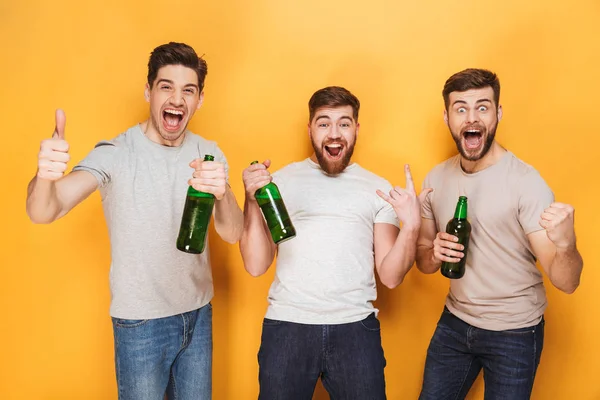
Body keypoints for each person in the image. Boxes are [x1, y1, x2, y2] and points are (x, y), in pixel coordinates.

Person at [26, 42, 244, 400]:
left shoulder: (209, 154)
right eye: (166, 86)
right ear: (148, 91)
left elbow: (233, 231)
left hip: (198, 315)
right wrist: (44, 177)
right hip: (141, 325)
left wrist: (224, 193)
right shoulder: (116, 154)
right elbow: (43, 211)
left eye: (188, 90)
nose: (177, 99)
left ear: (199, 100)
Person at [240, 86, 429, 399]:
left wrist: (411, 226)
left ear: (356, 129)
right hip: (288, 326)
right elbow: (256, 264)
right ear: (310, 129)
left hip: (355, 329)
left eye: (344, 123)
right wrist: (251, 200)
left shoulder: (377, 189)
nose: (334, 132)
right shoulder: (280, 184)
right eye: (324, 123)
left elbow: (392, 276)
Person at [416, 68, 584, 400]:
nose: (471, 117)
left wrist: (567, 244)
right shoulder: (437, 178)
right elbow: (423, 258)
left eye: (482, 106)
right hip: (455, 323)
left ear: (498, 114)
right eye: (460, 108)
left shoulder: (526, 183)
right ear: (447, 117)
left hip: (514, 331)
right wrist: (433, 253)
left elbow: (568, 282)